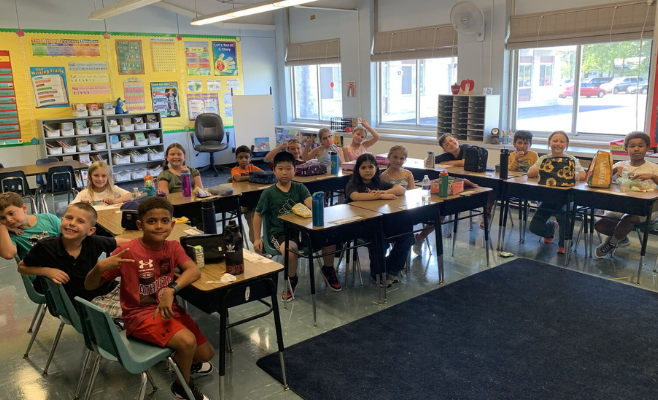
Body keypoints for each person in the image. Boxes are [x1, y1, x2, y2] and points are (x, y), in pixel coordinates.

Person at [85, 197, 215, 400]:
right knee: (188, 342)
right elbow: (89, 286)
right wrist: (99, 267)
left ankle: (178, 358)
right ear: (140, 224)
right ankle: (183, 386)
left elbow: (193, 270)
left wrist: (171, 289)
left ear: (172, 224)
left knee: (206, 355)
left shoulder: (172, 247)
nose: (159, 226)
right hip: (139, 316)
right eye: (151, 221)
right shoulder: (127, 251)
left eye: (165, 221)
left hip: (169, 310)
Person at [253, 152, 341, 301]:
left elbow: (308, 201)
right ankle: (291, 279)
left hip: (302, 230)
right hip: (280, 232)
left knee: (329, 238)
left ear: (295, 170)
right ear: (274, 170)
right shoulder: (268, 193)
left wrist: (317, 204)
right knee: (289, 249)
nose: (285, 172)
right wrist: (256, 238)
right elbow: (258, 214)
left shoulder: (299, 188)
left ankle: (328, 269)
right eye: (280, 169)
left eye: (289, 168)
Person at [17, 203, 128, 318]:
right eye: (69, 218)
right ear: (62, 220)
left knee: (145, 299)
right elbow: (21, 267)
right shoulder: (45, 246)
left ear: (90, 231)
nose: (72, 223)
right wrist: (46, 271)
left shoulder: (92, 241)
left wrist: (144, 242)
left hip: (110, 288)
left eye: (80, 221)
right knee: (135, 312)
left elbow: (121, 242)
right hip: (86, 302)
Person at [345, 153, 412, 287]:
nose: (368, 170)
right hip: (360, 225)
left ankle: (391, 269)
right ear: (357, 170)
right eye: (363, 167)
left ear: (376, 168)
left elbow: (401, 189)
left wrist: (384, 192)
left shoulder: (378, 182)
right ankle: (377, 273)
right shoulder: (353, 183)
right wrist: (379, 197)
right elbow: (355, 196)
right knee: (380, 240)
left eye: (371, 167)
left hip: (381, 222)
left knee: (407, 235)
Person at [594, 131, 658, 258]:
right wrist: (612, 171)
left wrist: (652, 177)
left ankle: (612, 243)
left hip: (645, 209)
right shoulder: (620, 165)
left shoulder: (653, 167)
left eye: (640, 146)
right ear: (626, 149)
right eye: (632, 146)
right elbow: (600, 181)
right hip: (622, 205)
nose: (636, 149)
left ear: (648, 148)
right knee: (599, 224)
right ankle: (621, 238)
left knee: (628, 218)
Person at [527, 130, 586, 255]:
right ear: (549, 143)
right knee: (534, 227)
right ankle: (550, 229)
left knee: (563, 215)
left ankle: (564, 244)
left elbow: (582, 175)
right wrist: (552, 165)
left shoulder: (571, 159)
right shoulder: (544, 159)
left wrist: (567, 171)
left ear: (566, 145)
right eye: (555, 141)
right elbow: (530, 173)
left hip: (567, 198)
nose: (558, 144)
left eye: (561, 141)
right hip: (549, 198)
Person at [0, 192, 60, 261]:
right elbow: (8, 254)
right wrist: (2, 227)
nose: (8, 220)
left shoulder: (49, 219)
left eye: (11, 213)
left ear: (24, 208)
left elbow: (69, 240)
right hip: (35, 270)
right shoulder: (10, 235)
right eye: (2, 218)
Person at [231, 145, 261, 244]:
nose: (244, 160)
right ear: (236, 159)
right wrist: (254, 176)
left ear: (250, 158)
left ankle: (259, 241)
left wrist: (252, 176)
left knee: (257, 218)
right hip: (243, 200)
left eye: (246, 157)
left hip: (254, 197)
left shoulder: (252, 167)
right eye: (241, 157)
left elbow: (264, 175)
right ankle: (255, 241)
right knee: (251, 221)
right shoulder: (235, 170)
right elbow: (238, 178)